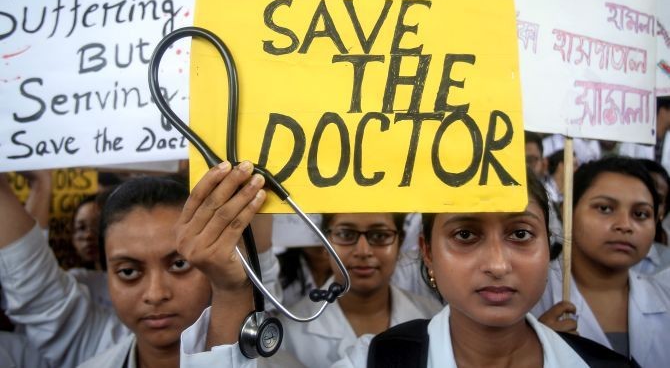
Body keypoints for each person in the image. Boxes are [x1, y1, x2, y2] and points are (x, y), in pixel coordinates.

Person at [177, 164, 627, 367]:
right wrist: (232, 290)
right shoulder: (374, 360)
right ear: (427, 252)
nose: (496, 263)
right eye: (465, 235)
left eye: (521, 234)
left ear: (549, 249)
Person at [0, 174, 214, 367]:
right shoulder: (97, 349)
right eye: (128, 272)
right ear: (107, 273)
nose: (155, 294)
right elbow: (35, 287)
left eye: (179, 265)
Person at [534, 157, 670, 366]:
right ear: (567, 210)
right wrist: (530, 348)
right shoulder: (530, 298)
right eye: (605, 208)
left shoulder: (665, 296)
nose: (625, 225)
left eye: (641, 214)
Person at [277, 213, 440, 368]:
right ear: (325, 243)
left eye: (380, 236)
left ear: (400, 242)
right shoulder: (287, 332)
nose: (363, 251)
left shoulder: (433, 317)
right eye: (346, 235)